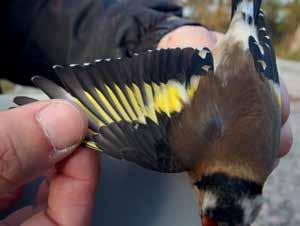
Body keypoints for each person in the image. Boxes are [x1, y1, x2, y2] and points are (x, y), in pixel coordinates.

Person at [0, 0, 293, 225]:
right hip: (234, 55)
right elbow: (119, 119)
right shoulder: (183, 147)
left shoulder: (264, 158)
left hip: (253, 51)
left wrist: (162, 32)